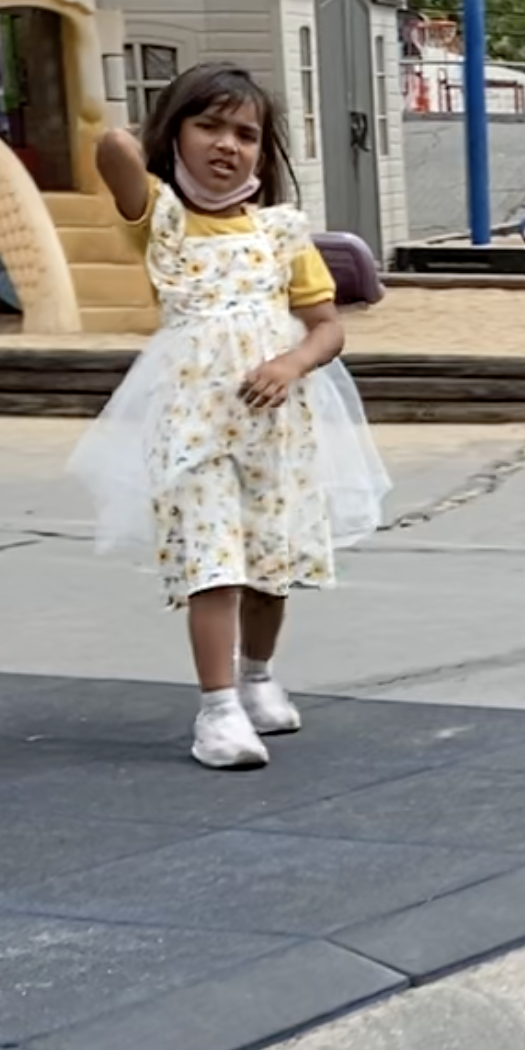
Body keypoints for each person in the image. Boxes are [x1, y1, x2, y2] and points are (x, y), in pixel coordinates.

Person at [69, 62, 387, 770]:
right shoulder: (160, 219)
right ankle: (217, 710)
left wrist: (292, 363)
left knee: (270, 564)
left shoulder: (281, 232)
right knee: (214, 562)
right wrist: (151, 126)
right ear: (174, 133)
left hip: (273, 420)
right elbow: (114, 150)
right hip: (192, 422)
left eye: (245, 133)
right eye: (207, 126)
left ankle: (258, 675)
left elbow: (326, 327)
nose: (227, 145)